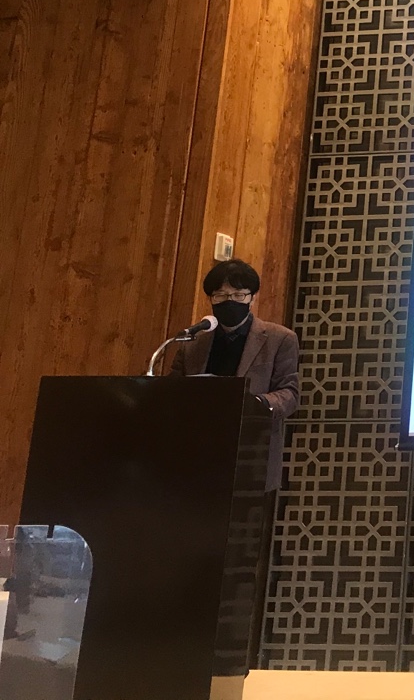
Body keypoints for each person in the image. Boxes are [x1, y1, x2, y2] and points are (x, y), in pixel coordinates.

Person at [169, 257, 299, 666]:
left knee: (240, 565)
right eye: (220, 294)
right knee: (192, 559)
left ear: (252, 297)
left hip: (249, 462)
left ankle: (233, 657)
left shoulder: (279, 339)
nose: (229, 301)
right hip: (196, 466)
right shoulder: (193, 342)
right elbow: (171, 394)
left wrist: (254, 403)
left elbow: (290, 394)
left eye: (238, 294)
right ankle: (186, 648)